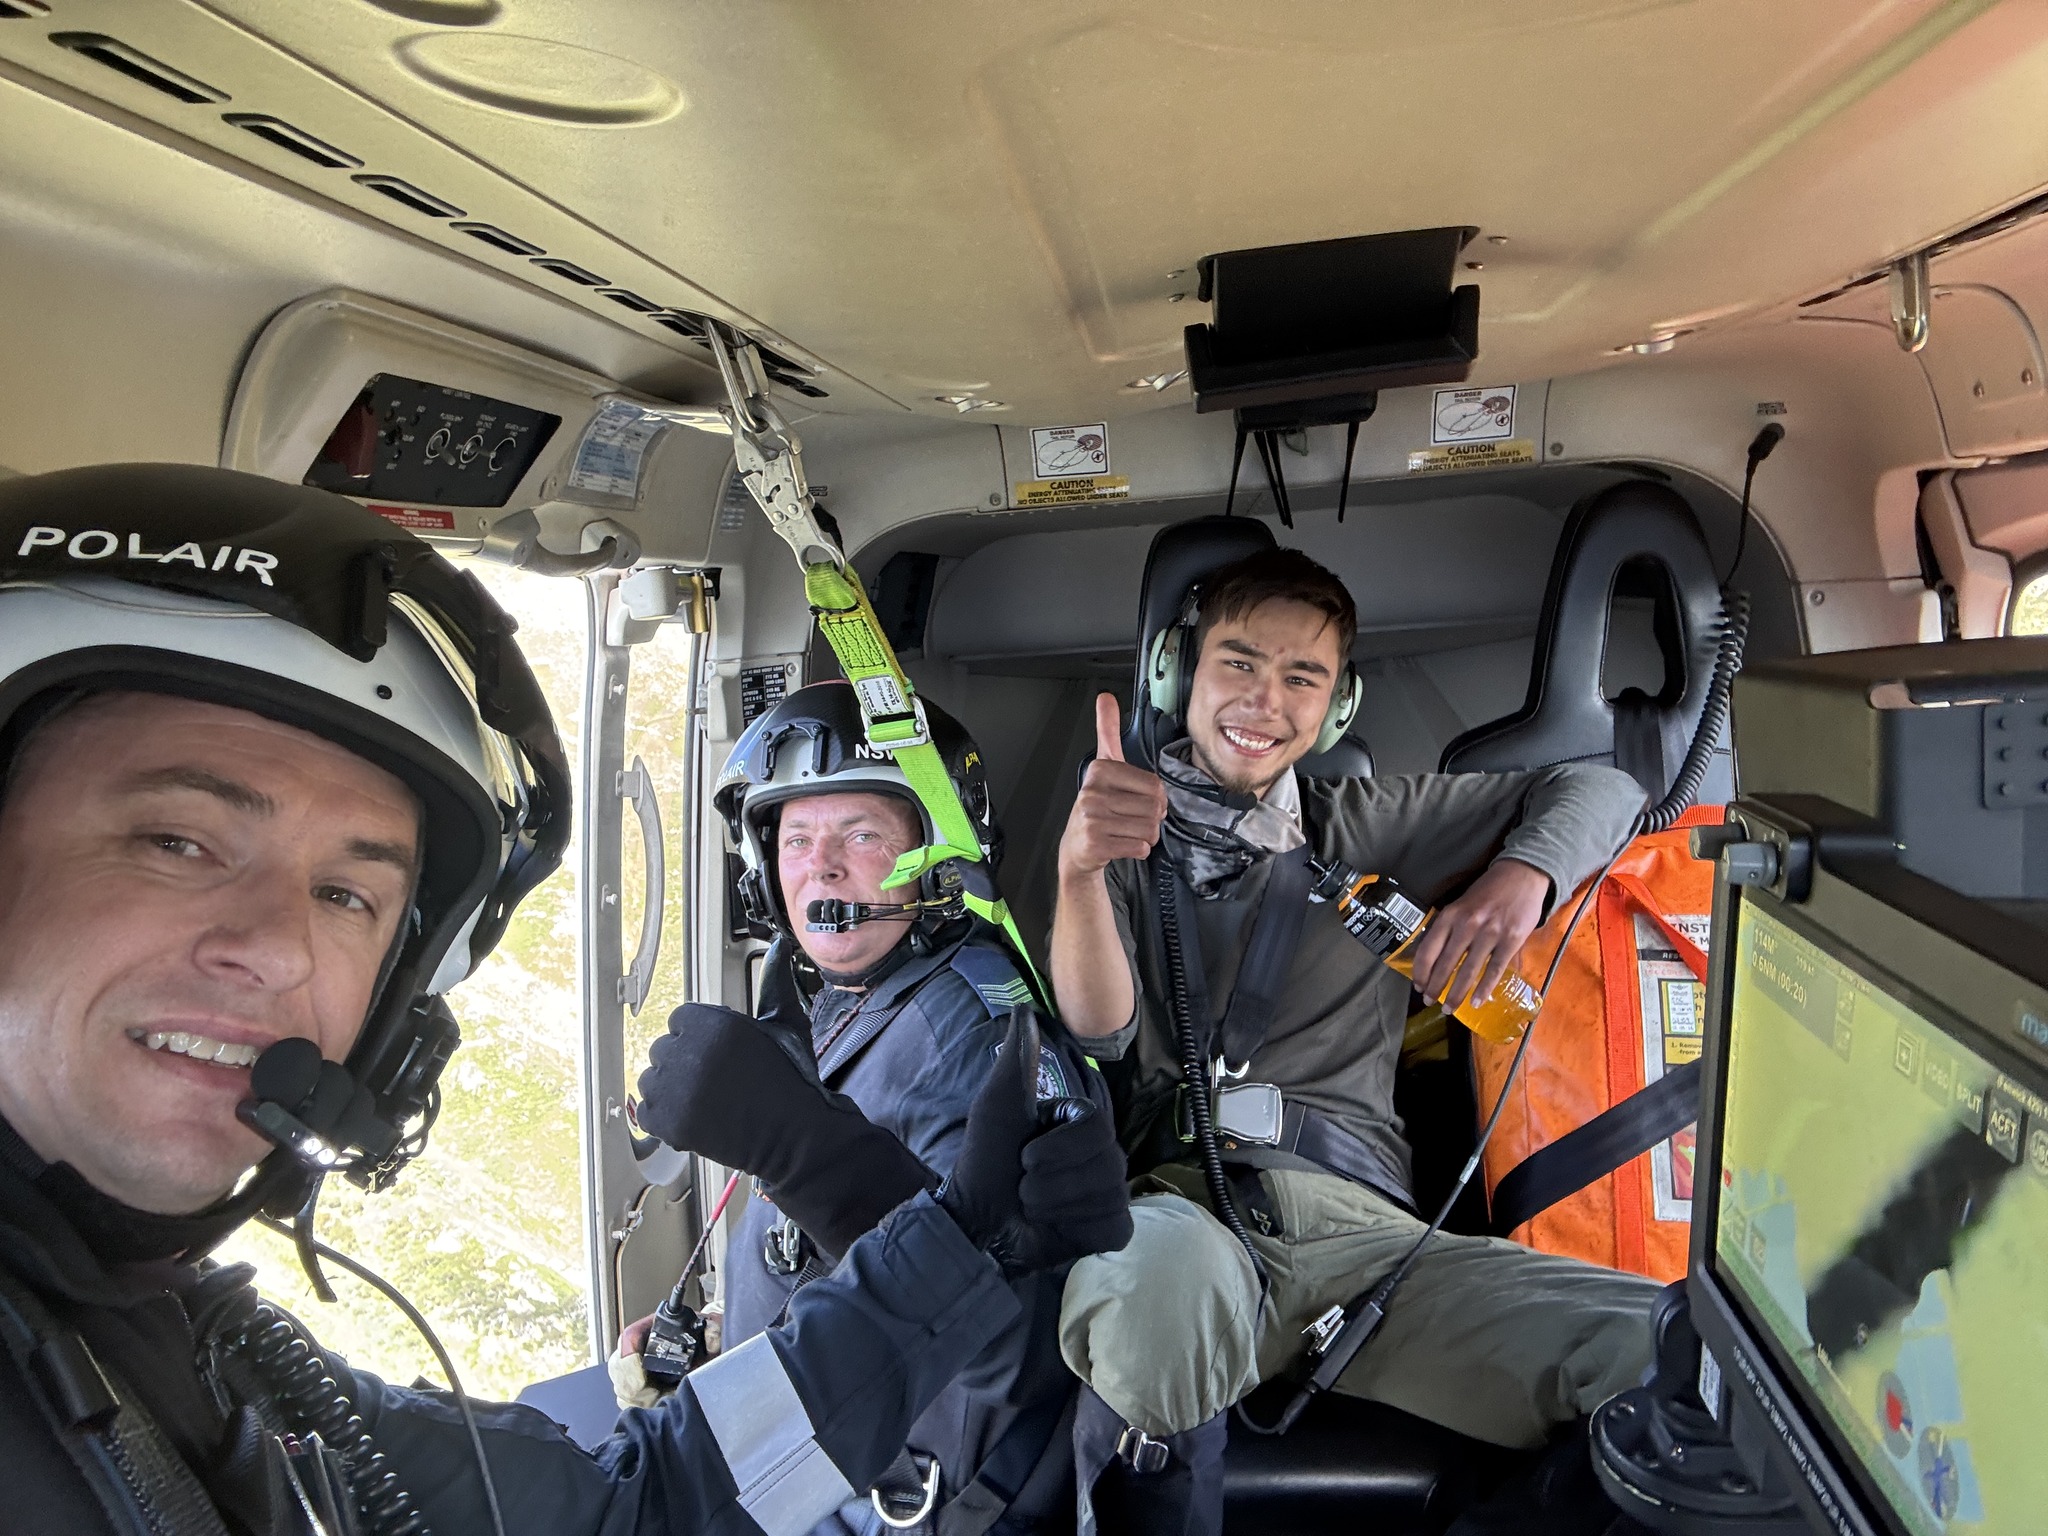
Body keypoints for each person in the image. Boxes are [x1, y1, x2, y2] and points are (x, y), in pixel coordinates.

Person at [0, 462, 1131, 1536]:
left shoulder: (185, 1342)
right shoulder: (811, 1014)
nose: (273, 950)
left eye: (347, 892)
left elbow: (951, 1408)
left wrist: (885, 1204)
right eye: (175, 841)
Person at [1050, 545, 1661, 1535]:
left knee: (1673, 1353)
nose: (1265, 700)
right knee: (1150, 1294)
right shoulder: (1118, 828)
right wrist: (1080, 873)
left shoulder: (1370, 825)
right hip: (1190, 1216)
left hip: (1373, 1247)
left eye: (1303, 678)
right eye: (1238, 664)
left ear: (1336, 708)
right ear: (1176, 674)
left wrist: (1518, 879)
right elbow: (1098, 1030)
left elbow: (1604, 789)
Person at [635, 682, 1100, 1534]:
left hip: (903, 1498)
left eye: (862, 835)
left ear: (939, 857)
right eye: (798, 838)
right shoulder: (856, 997)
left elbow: (1006, 1343)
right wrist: (718, 1326)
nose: (824, 866)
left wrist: (800, 1150)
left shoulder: (971, 1031)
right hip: (823, 1440)